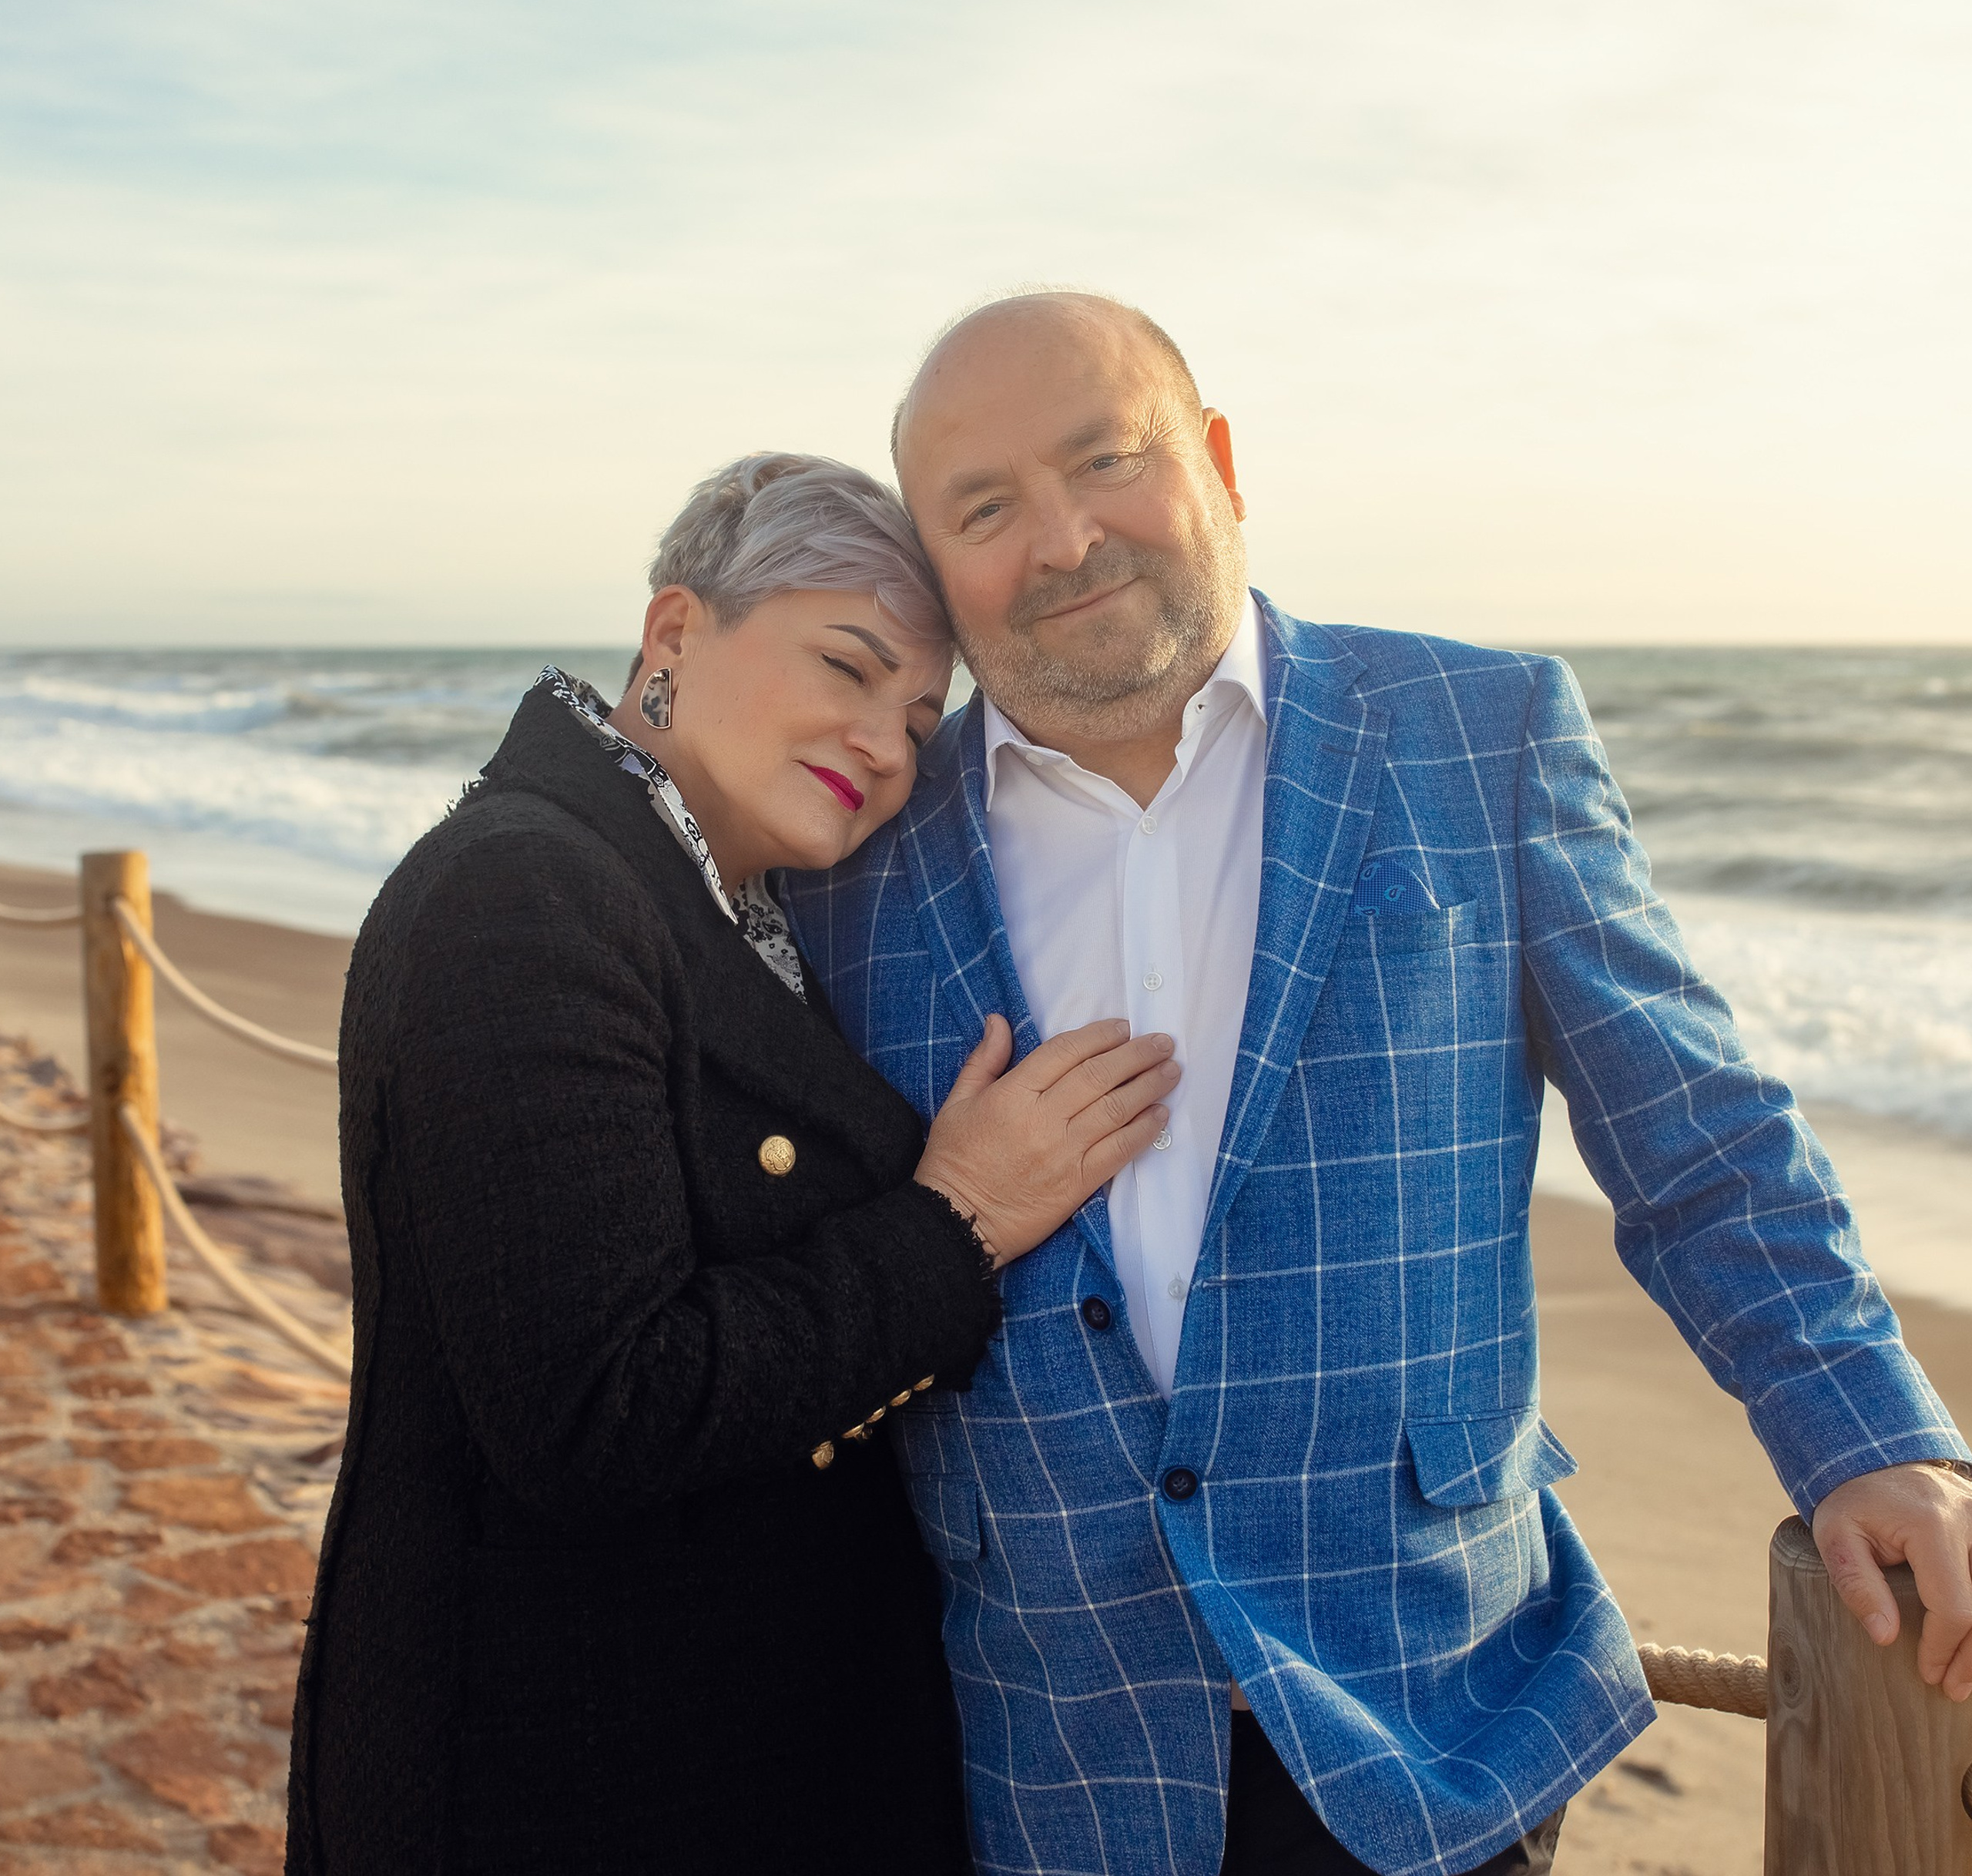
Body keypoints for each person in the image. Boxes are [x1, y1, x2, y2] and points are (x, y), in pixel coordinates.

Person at [778, 294, 1972, 1876]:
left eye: (1103, 461)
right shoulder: (859, 847)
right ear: (936, 560)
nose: (1060, 541)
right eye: (985, 508)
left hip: (1430, 1700)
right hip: (1045, 1734)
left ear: (1212, 459)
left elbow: (1691, 1135)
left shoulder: (1477, 735)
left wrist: (1863, 1430)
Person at [285, 451, 1182, 1874]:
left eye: (918, 715)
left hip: (721, 1750)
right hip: (565, 1777)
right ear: (677, 634)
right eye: (848, 664)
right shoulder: (524, 895)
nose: (888, 743)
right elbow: (597, 1408)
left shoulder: (739, 912)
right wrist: (960, 1219)